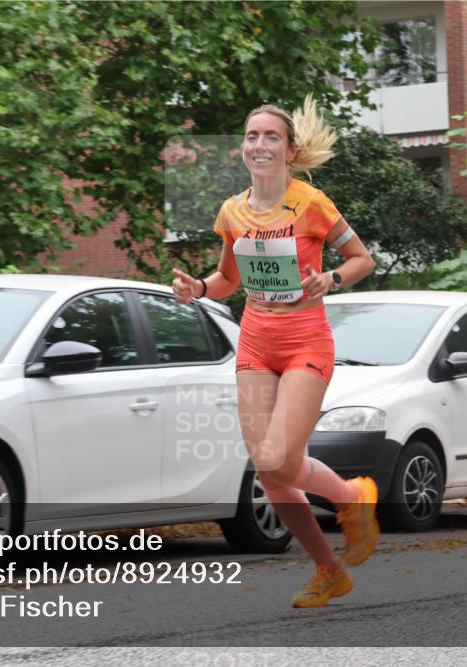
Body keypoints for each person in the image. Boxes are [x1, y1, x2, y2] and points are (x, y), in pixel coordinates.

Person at [172, 95, 378, 608]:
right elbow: (227, 279)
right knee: (268, 470)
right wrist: (197, 288)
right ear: (243, 148)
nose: (259, 144)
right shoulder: (232, 211)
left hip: (306, 340)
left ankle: (355, 498)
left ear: (289, 151)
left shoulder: (311, 203)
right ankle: (329, 570)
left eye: (271, 137)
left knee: (280, 459)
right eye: (251, 136)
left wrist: (328, 278)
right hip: (255, 341)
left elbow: (361, 260)